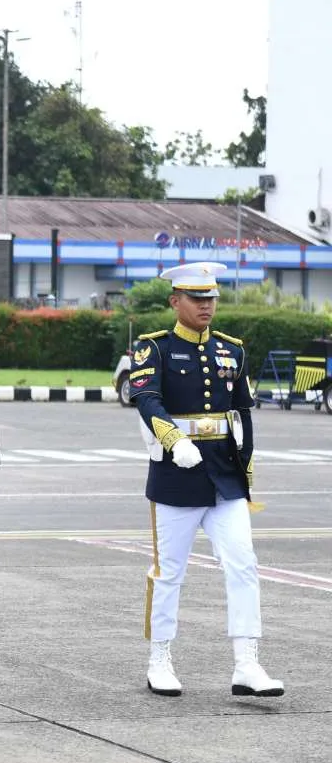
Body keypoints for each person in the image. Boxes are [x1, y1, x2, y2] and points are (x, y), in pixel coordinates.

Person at [129, 262, 283, 698]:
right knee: (168, 572)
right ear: (175, 301)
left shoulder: (231, 349)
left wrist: (246, 469)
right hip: (177, 474)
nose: (206, 306)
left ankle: (247, 664)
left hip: (225, 476)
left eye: (211, 298)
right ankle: (159, 659)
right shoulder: (154, 348)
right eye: (197, 298)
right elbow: (146, 398)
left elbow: (242, 411)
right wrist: (173, 438)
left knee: (244, 564)